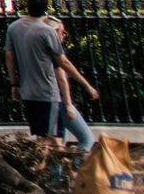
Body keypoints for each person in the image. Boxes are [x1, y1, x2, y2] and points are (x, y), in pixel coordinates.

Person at [4, 0, 67, 140]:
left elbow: (9, 56)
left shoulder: (13, 28)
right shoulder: (47, 31)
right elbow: (62, 61)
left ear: (28, 6)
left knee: (41, 136)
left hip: (27, 91)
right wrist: (86, 85)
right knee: (53, 139)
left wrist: (14, 84)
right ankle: (43, 164)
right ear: (45, 9)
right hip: (47, 92)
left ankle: (41, 163)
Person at [43, 15, 101, 153]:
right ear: (53, 32)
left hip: (46, 101)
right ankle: (74, 167)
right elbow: (61, 79)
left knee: (58, 144)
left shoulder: (41, 51)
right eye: (61, 32)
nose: (63, 35)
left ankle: (58, 174)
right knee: (86, 139)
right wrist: (69, 105)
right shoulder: (54, 52)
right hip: (60, 101)